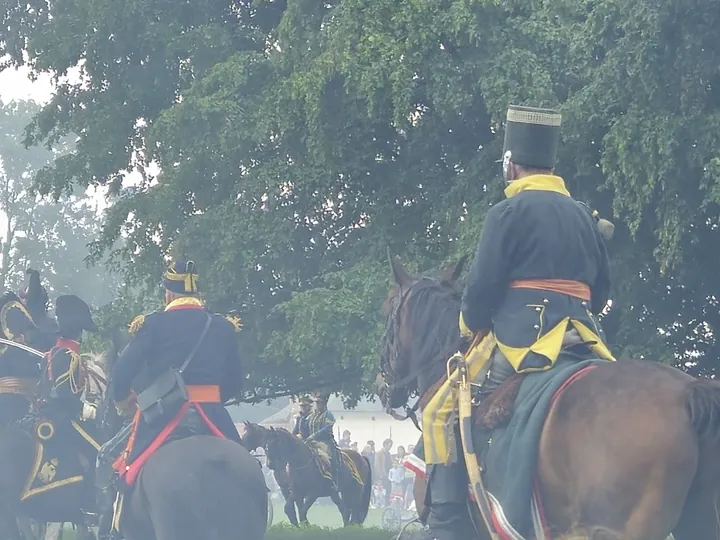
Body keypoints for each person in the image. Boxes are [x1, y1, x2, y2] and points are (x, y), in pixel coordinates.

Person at [421, 105, 618, 540]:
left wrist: (471, 321)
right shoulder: (585, 216)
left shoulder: (506, 213)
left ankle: (446, 522)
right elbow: (602, 291)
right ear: (551, 166)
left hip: (521, 339)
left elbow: (482, 288)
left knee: (442, 410)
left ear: (510, 164)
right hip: (584, 336)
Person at [96, 257, 244, 540]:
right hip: (213, 417)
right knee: (248, 467)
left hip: (163, 416)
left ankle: (110, 530)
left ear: (169, 293)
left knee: (113, 464)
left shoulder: (153, 324)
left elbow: (122, 372)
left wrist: (124, 401)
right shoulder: (223, 327)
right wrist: (211, 400)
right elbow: (236, 382)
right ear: (197, 293)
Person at [37, 295, 100, 461]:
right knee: (101, 452)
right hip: (63, 419)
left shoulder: (49, 354)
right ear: (80, 331)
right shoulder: (70, 356)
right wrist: (86, 409)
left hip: (43, 414)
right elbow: (63, 393)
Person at [306, 393, 340, 493]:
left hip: (325, 442)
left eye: (319, 403)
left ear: (324, 404)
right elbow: (305, 426)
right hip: (311, 442)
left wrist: (314, 436)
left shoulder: (328, 415)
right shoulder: (312, 416)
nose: (317, 405)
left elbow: (327, 428)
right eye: (316, 403)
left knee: (331, 458)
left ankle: (334, 482)